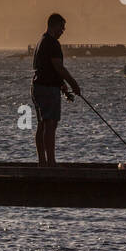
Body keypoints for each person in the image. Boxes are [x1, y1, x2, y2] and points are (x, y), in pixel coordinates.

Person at [32, 13, 81, 165]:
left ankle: (42, 162)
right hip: (47, 89)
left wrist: (63, 87)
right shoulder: (52, 43)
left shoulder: (41, 41)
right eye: (61, 27)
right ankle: (51, 162)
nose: (63, 30)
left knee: (42, 124)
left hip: (37, 87)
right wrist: (74, 84)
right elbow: (58, 67)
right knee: (50, 124)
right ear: (54, 25)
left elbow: (48, 69)